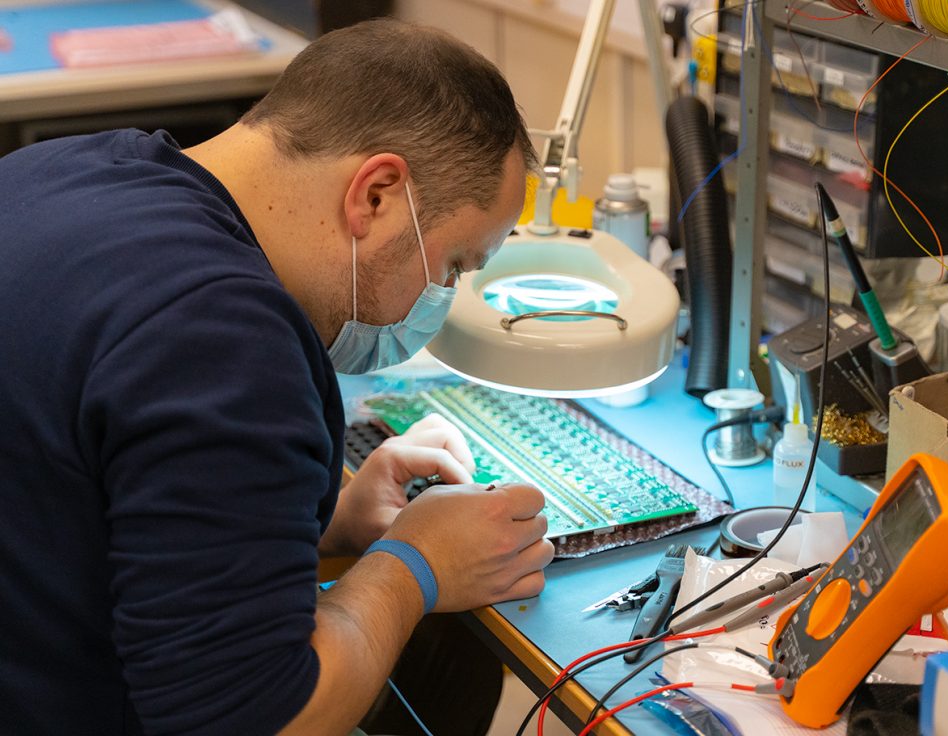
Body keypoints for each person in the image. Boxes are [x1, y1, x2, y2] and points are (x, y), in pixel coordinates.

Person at [0, 18, 553, 736]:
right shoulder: (222, 339)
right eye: (453, 265)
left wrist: (323, 525)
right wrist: (416, 564)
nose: (438, 299)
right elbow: (256, 718)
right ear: (377, 194)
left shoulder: (59, 172)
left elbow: (80, 501)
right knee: (446, 663)